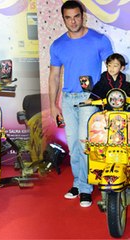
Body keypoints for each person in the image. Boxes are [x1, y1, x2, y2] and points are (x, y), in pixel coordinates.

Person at [48, 0, 113, 207]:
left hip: (89, 100)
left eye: (76, 16)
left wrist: (104, 97)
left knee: (85, 143)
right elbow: (54, 76)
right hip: (68, 100)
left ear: (83, 15)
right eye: (68, 17)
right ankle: (78, 182)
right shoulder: (58, 45)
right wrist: (52, 104)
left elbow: (112, 70)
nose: (73, 21)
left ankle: (85, 188)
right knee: (74, 145)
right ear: (63, 19)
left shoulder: (99, 40)